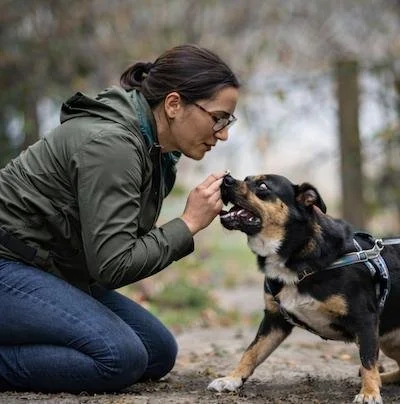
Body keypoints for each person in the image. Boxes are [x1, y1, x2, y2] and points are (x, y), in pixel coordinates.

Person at [0, 44, 239, 393]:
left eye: (228, 121)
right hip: (9, 263)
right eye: (218, 117)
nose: (223, 133)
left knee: (157, 352)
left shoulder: (155, 151)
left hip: (44, 268)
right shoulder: (113, 144)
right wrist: (188, 224)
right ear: (174, 104)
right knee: (118, 357)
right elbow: (112, 266)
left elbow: (112, 254)